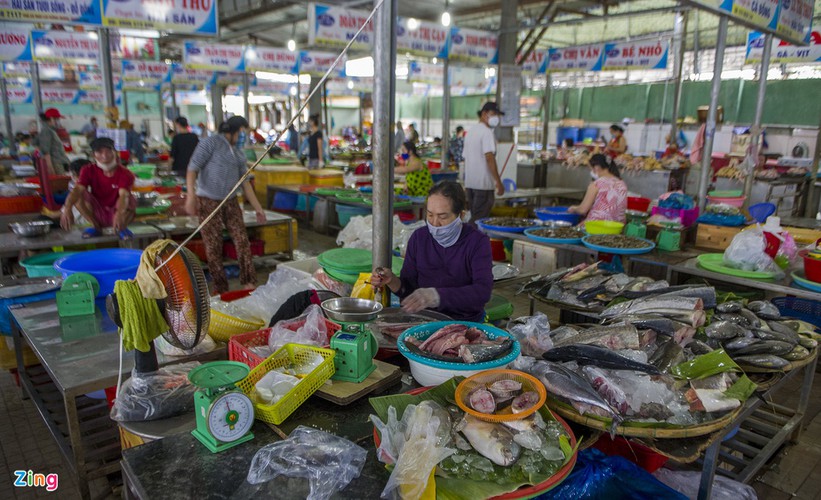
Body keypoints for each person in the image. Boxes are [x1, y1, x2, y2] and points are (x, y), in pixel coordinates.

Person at [369, 181, 493, 322]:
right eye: (430, 215)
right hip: (425, 320)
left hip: (465, 322)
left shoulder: (477, 242)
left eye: (443, 217)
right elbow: (408, 290)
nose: (434, 223)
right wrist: (392, 281)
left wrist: (437, 296)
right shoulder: (419, 238)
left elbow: (482, 292)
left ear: (462, 215)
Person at [185, 115, 266, 294]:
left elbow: (245, 183)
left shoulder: (238, 153)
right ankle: (220, 287)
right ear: (233, 131)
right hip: (208, 201)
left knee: (241, 239)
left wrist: (259, 209)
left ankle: (249, 282)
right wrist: (191, 196)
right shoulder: (210, 143)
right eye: (242, 132)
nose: (244, 136)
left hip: (230, 201)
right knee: (213, 245)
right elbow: (192, 169)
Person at [60, 137, 137, 239]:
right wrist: (67, 208)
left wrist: (119, 213)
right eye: (99, 152)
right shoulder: (87, 170)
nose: (104, 155)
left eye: (108, 151)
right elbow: (77, 189)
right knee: (79, 194)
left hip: (118, 213)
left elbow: (123, 196)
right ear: (93, 155)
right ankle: (95, 227)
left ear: (115, 152)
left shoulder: (126, 174)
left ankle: (121, 228)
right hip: (97, 212)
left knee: (130, 199)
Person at [464, 102, 505, 222]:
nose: (496, 118)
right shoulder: (486, 133)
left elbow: (466, 158)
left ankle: (470, 240)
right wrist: (498, 182)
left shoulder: (471, 132)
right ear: (484, 114)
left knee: (473, 217)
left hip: (470, 184)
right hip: (483, 185)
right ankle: (472, 241)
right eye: (494, 114)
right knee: (478, 222)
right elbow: (489, 158)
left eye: (497, 115)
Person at [568, 153, 628, 223]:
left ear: (597, 167)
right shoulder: (622, 183)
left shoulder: (597, 184)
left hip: (597, 226)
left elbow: (583, 210)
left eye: (590, 168)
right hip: (617, 226)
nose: (591, 171)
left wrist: (573, 209)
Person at [37, 108, 70, 175]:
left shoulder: (51, 131)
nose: (58, 121)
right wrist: (50, 167)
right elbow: (46, 152)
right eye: (57, 119)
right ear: (51, 118)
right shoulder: (46, 131)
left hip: (59, 162)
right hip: (55, 164)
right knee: (59, 183)